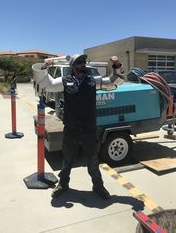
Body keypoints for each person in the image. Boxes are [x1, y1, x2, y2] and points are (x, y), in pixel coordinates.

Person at [39, 54, 124, 199]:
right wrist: (45, 67)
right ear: (73, 66)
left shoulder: (93, 81)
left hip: (89, 129)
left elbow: (114, 82)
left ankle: (98, 186)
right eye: (80, 62)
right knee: (67, 160)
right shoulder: (65, 81)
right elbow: (47, 84)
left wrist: (117, 65)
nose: (83, 64)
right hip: (71, 129)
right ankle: (63, 184)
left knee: (92, 160)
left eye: (84, 62)